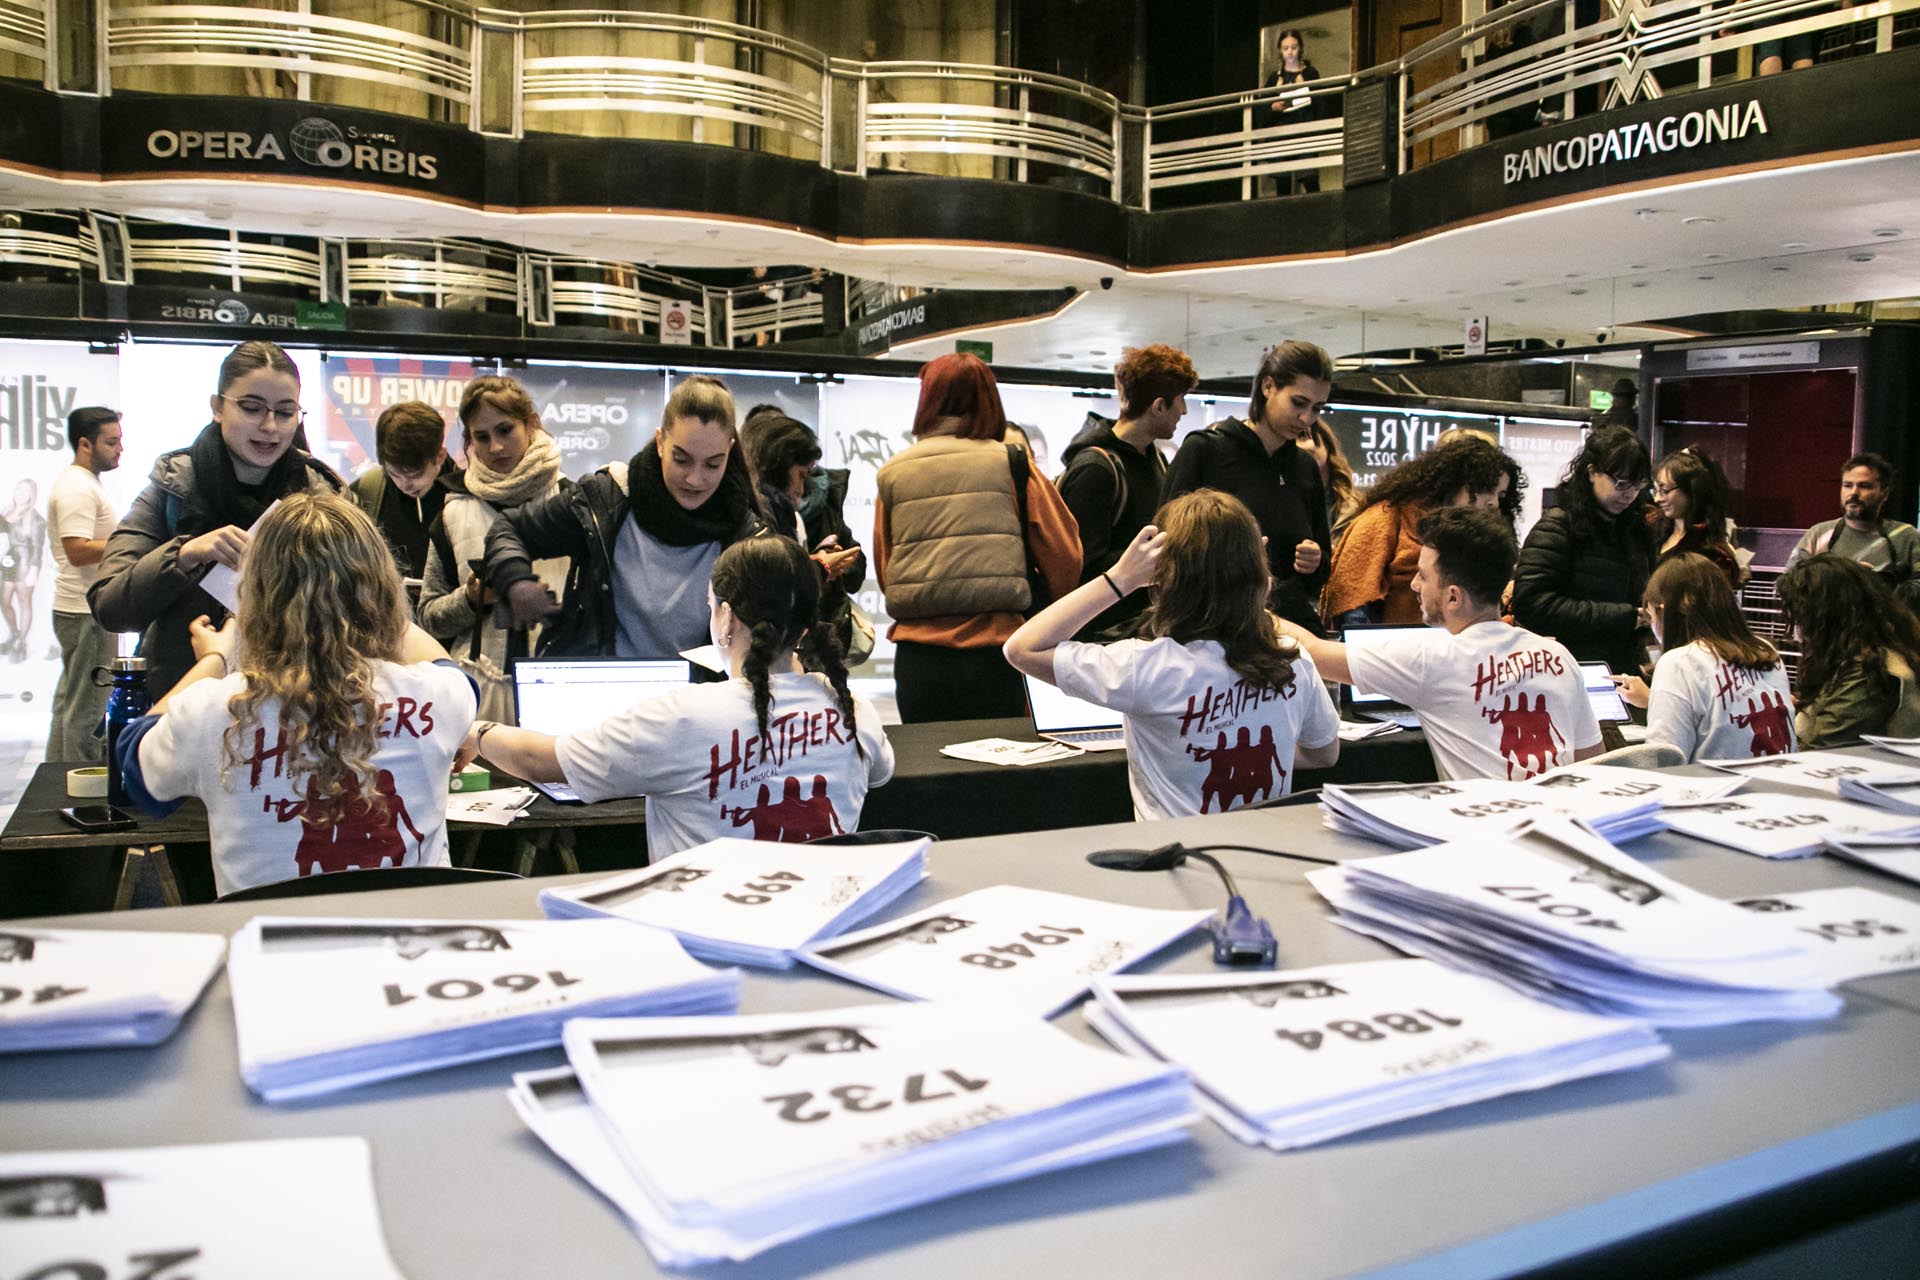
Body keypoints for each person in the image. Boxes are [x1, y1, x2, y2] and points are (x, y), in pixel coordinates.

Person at [115, 494, 475, 897]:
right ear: (379, 591)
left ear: (255, 597)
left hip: (268, 952)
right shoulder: (436, 696)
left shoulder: (212, 710)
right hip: (413, 950)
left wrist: (217, 655)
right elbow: (451, 671)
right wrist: (366, 601)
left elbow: (132, 762)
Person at [462, 535, 893, 860]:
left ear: (726, 617)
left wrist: (478, 731)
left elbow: (544, 761)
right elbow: (879, 775)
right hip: (823, 936)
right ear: (804, 624)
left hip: (706, 947)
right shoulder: (857, 712)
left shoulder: (685, 716)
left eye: (711, 605)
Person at [1004, 490, 1339, 818]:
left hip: (1175, 862)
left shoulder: (1145, 667)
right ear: (1259, 572)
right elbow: (1324, 754)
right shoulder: (1292, 659)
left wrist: (1119, 579)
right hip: (1262, 858)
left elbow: (1021, 648)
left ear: (1164, 577)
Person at [91, 339, 344, 698]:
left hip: (294, 710)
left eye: (285, 412)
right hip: (182, 710)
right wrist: (185, 554)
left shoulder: (323, 497)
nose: (270, 426)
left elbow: (364, 611)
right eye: (252, 408)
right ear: (218, 407)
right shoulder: (173, 487)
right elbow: (110, 607)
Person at [1276, 506, 1602, 781]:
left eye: (1423, 576)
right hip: (1565, 832)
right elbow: (1593, 764)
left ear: (1453, 597)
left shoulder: (1431, 657)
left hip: (1485, 838)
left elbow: (1312, 651)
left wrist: (1247, 607)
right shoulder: (1557, 655)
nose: (1415, 585)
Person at [486, 375, 765, 665]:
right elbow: (508, 528)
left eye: (713, 464)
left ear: (729, 451)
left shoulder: (747, 534)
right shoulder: (607, 498)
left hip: (696, 700)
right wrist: (515, 580)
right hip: (605, 693)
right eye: (681, 459)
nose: (695, 479)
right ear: (660, 442)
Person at [873, 354, 1080, 722]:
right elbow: (1065, 555)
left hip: (918, 660)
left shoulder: (894, 472)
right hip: (996, 653)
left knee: (932, 771)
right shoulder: (1012, 463)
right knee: (997, 773)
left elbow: (887, 567)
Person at [417, 376, 568, 722]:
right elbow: (427, 616)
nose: (496, 447)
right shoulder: (452, 509)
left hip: (557, 689)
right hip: (474, 697)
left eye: (505, 430)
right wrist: (471, 600)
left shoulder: (571, 500)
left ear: (530, 424)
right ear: (468, 440)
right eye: (481, 437)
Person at [1165, 340, 1334, 635]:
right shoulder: (1205, 451)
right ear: (1268, 387)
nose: (1307, 419)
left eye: (1317, 408)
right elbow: (1167, 548)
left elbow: (1320, 572)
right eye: (1299, 403)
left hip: (1290, 630)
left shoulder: (1304, 467)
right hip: (1214, 629)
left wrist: (1315, 561)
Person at [1057, 343, 1196, 641]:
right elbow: (1081, 568)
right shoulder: (1096, 469)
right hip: (1101, 638)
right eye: (1181, 400)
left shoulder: (1155, 459)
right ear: (1158, 406)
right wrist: (1160, 556)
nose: (1184, 411)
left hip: (1141, 632)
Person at [1321, 434, 1523, 628]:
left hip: (1464, 650)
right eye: (1486, 489)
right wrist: (1368, 649)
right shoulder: (1388, 518)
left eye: (1501, 495)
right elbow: (1352, 595)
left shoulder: (1487, 539)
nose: (1494, 502)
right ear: (1454, 483)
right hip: (1400, 649)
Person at [1611, 552, 1795, 761]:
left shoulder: (1679, 663)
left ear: (1665, 611)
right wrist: (1655, 700)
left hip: (1717, 789)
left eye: (1651, 617)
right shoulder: (1766, 651)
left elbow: (1663, 761)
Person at [1512, 424, 1655, 676]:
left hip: (1623, 669)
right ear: (1591, 472)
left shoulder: (1636, 529)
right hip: (1569, 669)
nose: (1630, 494)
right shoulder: (1558, 526)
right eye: (1621, 483)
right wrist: (1625, 617)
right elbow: (1532, 604)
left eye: (1638, 484)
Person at [740, 406, 866, 657]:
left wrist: (819, 560)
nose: (801, 487)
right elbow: (772, 585)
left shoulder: (786, 514)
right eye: (800, 475)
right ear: (778, 463)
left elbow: (855, 571)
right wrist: (819, 566)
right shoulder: (752, 514)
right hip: (761, 650)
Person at [1776, 555, 1920, 747]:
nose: (1799, 631)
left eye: (1800, 617)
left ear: (1823, 617)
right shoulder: (1875, 649)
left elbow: (1822, 745)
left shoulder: (1869, 669)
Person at [46, 407, 123, 761]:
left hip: (81, 609)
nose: (119, 448)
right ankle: (83, 794)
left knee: (70, 706)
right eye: (111, 442)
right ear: (84, 444)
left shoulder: (82, 483)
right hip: (85, 610)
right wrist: (130, 543)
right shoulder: (77, 487)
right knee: (87, 711)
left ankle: (55, 788)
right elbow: (77, 550)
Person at [349, 399, 464, 584]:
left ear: (440, 457)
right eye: (394, 474)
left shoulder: (468, 497)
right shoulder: (366, 492)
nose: (405, 484)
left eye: (416, 474)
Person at [1783, 452, 1919, 609]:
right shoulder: (1819, 533)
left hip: (1881, 632)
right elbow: (1786, 585)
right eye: (1847, 485)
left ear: (1885, 493)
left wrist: (1880, 585)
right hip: (1825, 631)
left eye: (1864, 486)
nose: (1853, 493)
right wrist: (1840, 580)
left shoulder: (1904, 535)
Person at [1649, 446, 1742, 587]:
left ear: (1691, 489)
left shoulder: (1714, 553)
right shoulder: (1653, 531)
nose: (1657, 498)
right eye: (1655, 490)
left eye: (1664, 490)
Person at [1266, 29, 1323, 194]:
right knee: (1282, 184)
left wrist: (1304, 88)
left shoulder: (1310, 73)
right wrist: (1274, 107)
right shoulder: (1274, 78)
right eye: (1285, 48)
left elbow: (1320, 104)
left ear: (1300, 49)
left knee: (1310, 179)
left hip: (1304, 131)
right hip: (1282, 133)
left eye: (1293, 47)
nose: (1290, 52)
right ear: (1280, 51)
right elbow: (1263, 109)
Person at [1, 477, 45, 662]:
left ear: (31, 495)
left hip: (26, 562)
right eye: (19, 489)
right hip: (8, 560)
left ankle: (20, 643)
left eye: (26, 491)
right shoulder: (6, 511)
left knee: (23, 601)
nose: (21, 494)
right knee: (4, 601)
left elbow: (37, 547)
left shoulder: (35, 519)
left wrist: (34, 570)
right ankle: (14, 633)